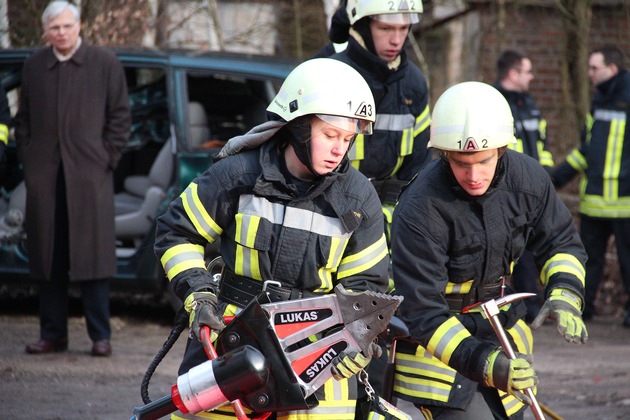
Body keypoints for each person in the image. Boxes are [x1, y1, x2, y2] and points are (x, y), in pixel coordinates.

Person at [154, 57, 389, 420]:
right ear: (297, 126)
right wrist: (199, 292)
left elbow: (367, 288)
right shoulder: (238, 175)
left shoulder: (358, 200)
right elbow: (177, 232)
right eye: (329, 135)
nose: (339, 149)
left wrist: (358, 338)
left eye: (347, 138)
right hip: (234, 347)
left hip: (320, 365)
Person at [390, 81, 588, 419]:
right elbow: (422, 310)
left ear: (501, 148)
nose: (473, 175)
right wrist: (485, 363)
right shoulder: (420, 207)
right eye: (460, 163)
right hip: (440, 357)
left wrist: (565, 293)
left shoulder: (528, 180)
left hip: (506, 342)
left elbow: (559, 241)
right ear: (444, 154)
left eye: (483, 161)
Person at [16, 1, 131, 357]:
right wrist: (31, 161)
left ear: (79, 26)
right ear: (45, 31)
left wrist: (105, 160)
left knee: (93, 261)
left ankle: (101, 336)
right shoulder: (34, 65)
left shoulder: (105, 63)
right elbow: (24, 121)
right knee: (49, 259)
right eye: (54, 28)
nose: (61, 33)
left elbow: (121, 118)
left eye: (67, 26)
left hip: (89, 179)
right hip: (46, 180)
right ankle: (53, 334)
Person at [327, 0, 431, 248]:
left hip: (391, 224)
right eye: (386, 29)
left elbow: (417, 169)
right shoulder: (331, 75)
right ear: (363, 26)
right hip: (330, 217)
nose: (397, 39)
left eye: (404, 28)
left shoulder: (414, 84)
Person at [552, 45, 630, 326]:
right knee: (587, 259)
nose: (589, 73)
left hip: (625, 201)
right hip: (594, 199)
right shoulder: (598, 99)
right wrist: (556, 177)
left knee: (627, 263)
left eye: (594, 68)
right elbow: (586, 149)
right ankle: (583, 307)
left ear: (612, 69)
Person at [495, 48, 555, 323]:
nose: (532, 77)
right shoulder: (495, 103)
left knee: (533, 249)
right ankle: (517, 309)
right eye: (527, 71)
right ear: (513, 73)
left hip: (533, 191)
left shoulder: (529, 103)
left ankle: (533, 307)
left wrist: (546, 178)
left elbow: (541, 145)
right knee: (513, 252)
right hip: (507, 191)